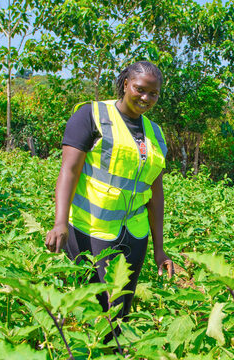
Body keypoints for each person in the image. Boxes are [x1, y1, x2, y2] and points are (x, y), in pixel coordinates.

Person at [45, 61, 174, 327]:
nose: (145, 98)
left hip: (135, 234)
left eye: (154, 94)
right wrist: (59, 223)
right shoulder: (91, 116)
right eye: (140, 89)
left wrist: (159, 248)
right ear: (126, 84)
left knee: (122, 308)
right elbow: (68, 171)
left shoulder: (156, 134)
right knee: (97, 310)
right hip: (91, 230)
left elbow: (155, 192)